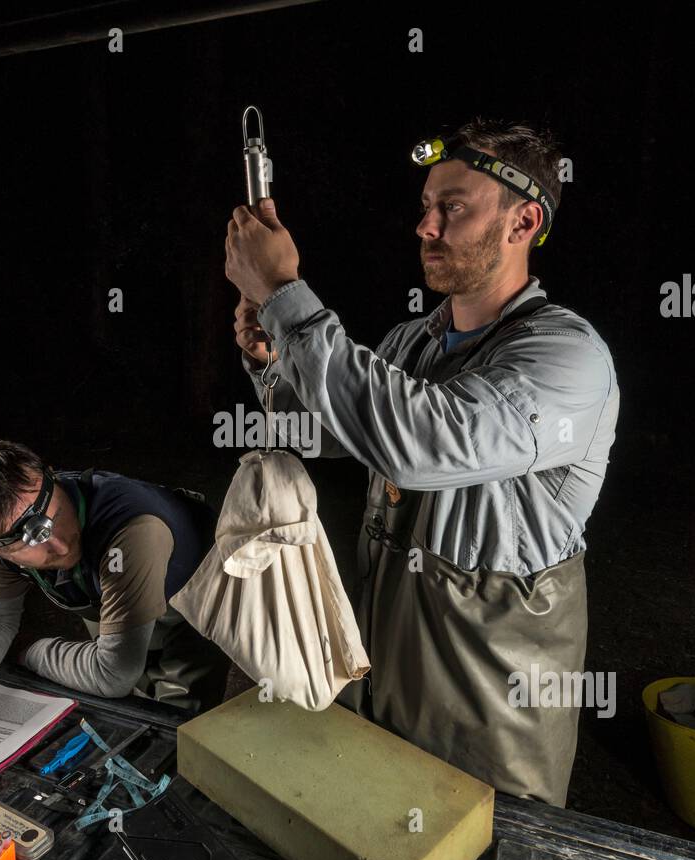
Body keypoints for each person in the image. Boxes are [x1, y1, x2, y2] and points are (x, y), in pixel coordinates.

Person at [224, 117, 619, 807]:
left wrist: (288, 292)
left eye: (453, 208)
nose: (426, 227)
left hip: (490, 714)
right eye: (426, 209)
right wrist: (273, 363)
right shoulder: (414, 340)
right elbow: (332, 434)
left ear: (524, 222)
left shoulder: (567, 356)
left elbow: (417, 444)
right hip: (386, 667)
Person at [0, 438, 230, 714]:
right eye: (24, 541)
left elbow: (113, 673)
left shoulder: (133, 530)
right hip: (108, 589)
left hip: (192, 595)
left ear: (50, 476)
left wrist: (22, 649)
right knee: (131, 696)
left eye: (49, 515)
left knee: (179, 719)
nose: (57, 544)